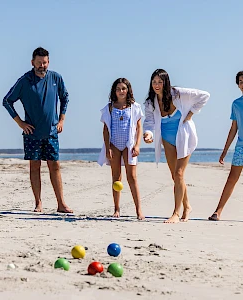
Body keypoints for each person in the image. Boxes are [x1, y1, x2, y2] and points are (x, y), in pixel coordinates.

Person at [2, 47, 73, 213]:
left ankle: (61, 204)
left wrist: (61, 119)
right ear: (32, 62)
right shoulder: (25, 80)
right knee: (35, 166)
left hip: (51, 132)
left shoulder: (56, 78)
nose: (42, 65)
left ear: (49, 62)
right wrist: (20, 123)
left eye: (45, 62)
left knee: (54, 166)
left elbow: (65, 97)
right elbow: (7, 101)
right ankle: (38, 203)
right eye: (39, 62)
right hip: (32, 133)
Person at [143, 69, 210, 223]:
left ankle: (176, 213)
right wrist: (148, 134)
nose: (157, 85)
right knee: (176, 176)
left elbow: (205, 95)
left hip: (184, 137)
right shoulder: (150, 102)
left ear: (166, 82)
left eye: (160, 82)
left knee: (179, 174)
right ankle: (187, 206)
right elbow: (149, 122)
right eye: (154, 82)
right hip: (166, 139)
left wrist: (191, 112)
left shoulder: (178, 93)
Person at [98, 78, 144, 220]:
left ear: (128, 90)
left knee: (132, 177)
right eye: (118, 89)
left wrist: (137, 145)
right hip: (114, 145)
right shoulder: (110, 107)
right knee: (116, 177)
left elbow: (139, 127)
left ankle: (138, 210)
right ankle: (116, 208)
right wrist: (107, 148)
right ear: (114, 91)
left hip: (129, 144)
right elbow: (105, 129)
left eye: (123, 88)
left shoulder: (134, 107)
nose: (121, 91)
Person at [209, 71, 243, 221]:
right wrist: (224, 151)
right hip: (241, 146)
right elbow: (234, 128)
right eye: (241, 81)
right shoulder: (236, 104)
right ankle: (218, 211)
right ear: (238, 85)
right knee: (232, 178)